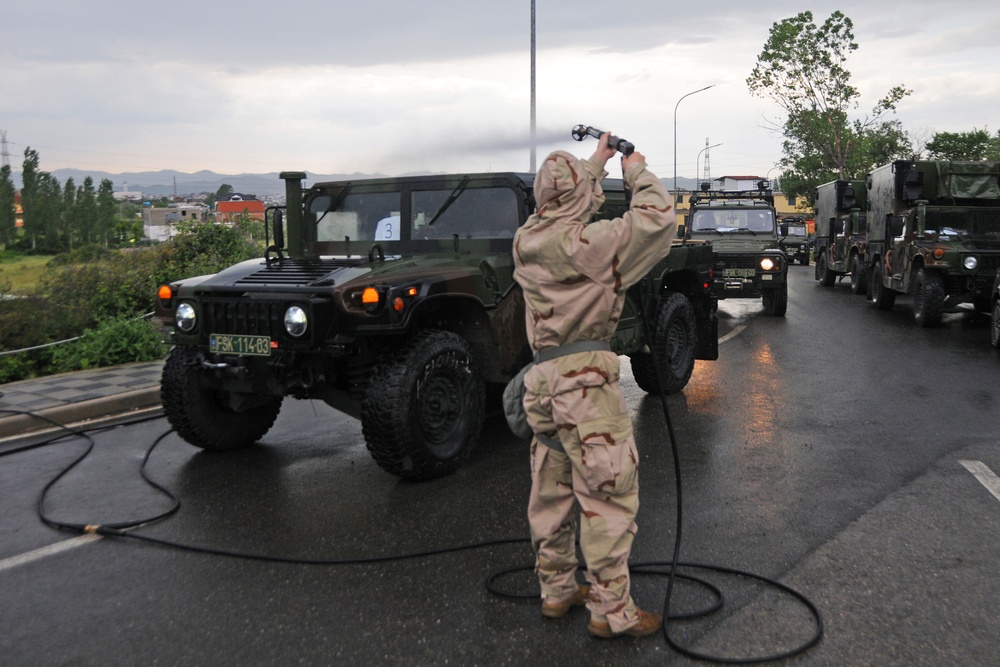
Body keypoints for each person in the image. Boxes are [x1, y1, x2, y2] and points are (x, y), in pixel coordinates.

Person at [513, 133, 677, 638]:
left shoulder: (527, 238)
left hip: (541, 385)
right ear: (578, 195)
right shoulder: (588, 245)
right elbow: (656, 221)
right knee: (608, 497)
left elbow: (565, 199)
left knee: (552, 492)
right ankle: (612, 614)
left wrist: (596, 162)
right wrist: (637, 172)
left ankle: (557, 591)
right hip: (585, 388)